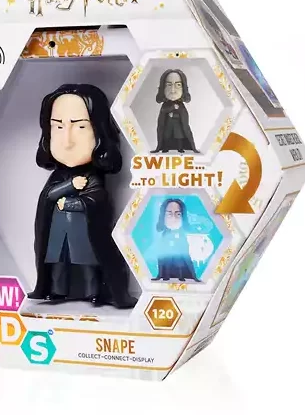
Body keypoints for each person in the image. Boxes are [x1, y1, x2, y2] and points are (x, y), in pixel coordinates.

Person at [28, 84, 137, 309]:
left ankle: (94, 292)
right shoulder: (59, 177)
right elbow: (48, 196)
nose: (67, 141)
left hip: (82, 233)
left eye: (80, 126)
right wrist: (70, 186)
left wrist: (71, 202)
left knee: (89, 264)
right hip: (59, 233)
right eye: (58, 126)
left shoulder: (93, 177)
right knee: (58, 263)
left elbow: (96, 200)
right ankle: (55, 290)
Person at [151, 198, 200, 282]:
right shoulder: (164, 237)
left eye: (178, 214)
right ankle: (163, 275)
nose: (173, 218)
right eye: (169, 214)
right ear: (163, 216)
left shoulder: (182, 237)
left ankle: (185, 276)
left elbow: (186, 257)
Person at [151, 69, 199, 153]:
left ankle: (180, 148)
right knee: (166, 136)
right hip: (168, 127)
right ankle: (165, 148)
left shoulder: (181, 106)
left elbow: (184, 119)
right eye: (168, 85)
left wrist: (174, 115)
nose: (173, 90)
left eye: (178, 85)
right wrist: (172, 108)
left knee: (179, 137)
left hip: (178, 127)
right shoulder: (165, 105)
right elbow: (163, 114)